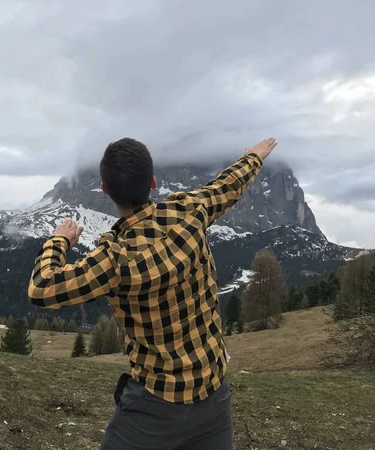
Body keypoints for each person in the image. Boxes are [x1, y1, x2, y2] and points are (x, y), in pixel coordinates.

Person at [28, 137, 277, 449]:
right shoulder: (189, 212)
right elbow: (228, 185)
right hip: (214, 397)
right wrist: (253, 157)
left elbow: (42, 287)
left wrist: (59, 240)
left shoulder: (114, 258)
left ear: (104, 190)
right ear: (154, 182)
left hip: (153, 407)